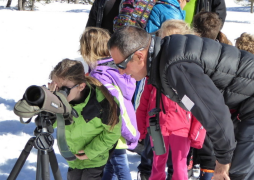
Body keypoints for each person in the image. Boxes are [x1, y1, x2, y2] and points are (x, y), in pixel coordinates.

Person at [108, 25, 254, 180]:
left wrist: (223, 161)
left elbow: (214, 114)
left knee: (236, 173)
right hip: (241, 105)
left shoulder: (175, 66)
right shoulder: (164, 57)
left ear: (139, 56)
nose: (121, 72)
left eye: (121, 65)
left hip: (249, 104)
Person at [136, 20, 205, 180]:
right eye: (165, 40)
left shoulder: (191, 69)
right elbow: (144, 101)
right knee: (157, 165)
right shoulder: (154, 70)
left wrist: (196, 134)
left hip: (182, 128)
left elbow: (200, 105)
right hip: (157, 125)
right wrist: (141, 127)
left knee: (180, 166)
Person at [79, 27, 139, 180]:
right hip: (113, 128)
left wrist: (126, 131)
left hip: (114, 129)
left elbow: (116, 106)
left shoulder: (100, 76)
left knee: (119, 165)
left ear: (88, 50)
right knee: (109, 165)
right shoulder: (115, 69)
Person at [48, 59, 122, 180]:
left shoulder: (103, 103)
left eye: (63, 90)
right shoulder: (62, 101)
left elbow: (113, 133)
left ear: (81, 86)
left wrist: (90, 152)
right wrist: (50, 102)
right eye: (56, 88)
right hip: (73, 157)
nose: (59, 94)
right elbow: (51, 124)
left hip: (95, 158)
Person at [192, 11, 233, 180]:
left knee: (207, 151)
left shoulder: (194, 53)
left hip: (202, 113)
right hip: (222, 113)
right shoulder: (226, 51)